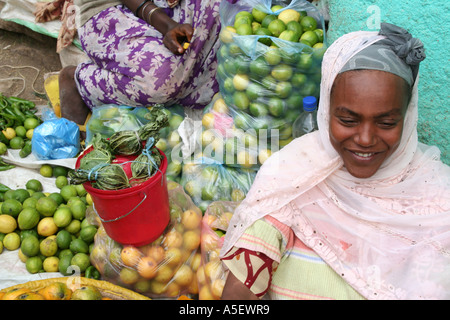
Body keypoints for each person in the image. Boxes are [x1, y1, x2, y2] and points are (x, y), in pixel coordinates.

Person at [219, 23, 450, 300]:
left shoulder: (436, 197)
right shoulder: (294, 175)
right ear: (326, 111)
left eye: (387, 122)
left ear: (407, 117)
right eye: (348, 120)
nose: (365, 139)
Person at [58, 0, 234, 126]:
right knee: (160, 79)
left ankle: (177, 100)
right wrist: (166, 25)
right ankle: (79, 79)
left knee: (230, 13)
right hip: (114, 6)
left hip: (170, 5)